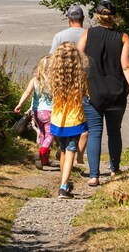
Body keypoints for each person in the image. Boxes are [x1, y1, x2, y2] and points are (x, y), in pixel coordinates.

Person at [77, 0, 129, 187]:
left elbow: (78, 59)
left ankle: (94, 176)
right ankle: (114, 170)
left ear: (97, 16)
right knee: (114, 132)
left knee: (95, 132)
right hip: (116, 92)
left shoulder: (88, 34)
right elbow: (126, 66)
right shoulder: (123, 37)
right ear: (114, 17)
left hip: (92, 92)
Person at [47, 41, 90, 199]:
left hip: (58, 119)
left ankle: (63, 182)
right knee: (72, 150)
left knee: (63, 149)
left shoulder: (55, 76)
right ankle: (64, 187)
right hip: (74, 119)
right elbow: (86, 94)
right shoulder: (80, 75)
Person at [51, 5, 87, 163]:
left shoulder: (59, 36)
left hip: (63, 84)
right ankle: (77, 156)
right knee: (82, 119)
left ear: (68, 20)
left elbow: (52, 59)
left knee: (63, 117)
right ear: (82, 19)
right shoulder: (88, 35)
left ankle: (63, 148)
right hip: (83, 84)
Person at [14, 54, 55, 169]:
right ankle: (41, 153)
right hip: (50, 113)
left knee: (42, 133)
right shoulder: (54, 81)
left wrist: (20, 104)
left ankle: (44, 160)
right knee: (50, 134)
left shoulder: (35, 80)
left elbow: (27, 92)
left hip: (36, 112)